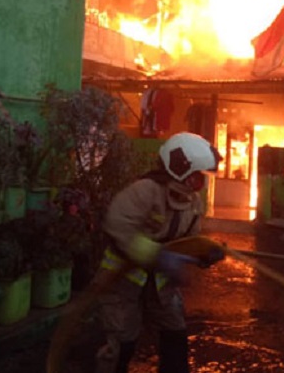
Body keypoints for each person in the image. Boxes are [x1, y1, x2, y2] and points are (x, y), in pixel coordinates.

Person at [95, 132, 224, 373]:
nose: (202, 184)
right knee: (122, 340)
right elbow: (117, 224)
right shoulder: (145, 191)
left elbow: (190, 240)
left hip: (160, 283)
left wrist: (205, 253)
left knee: (175, 334)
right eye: (198, 177)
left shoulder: (193, 202)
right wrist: (157, 255)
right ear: (180, 170)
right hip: (122, 280)